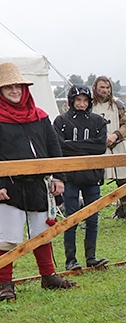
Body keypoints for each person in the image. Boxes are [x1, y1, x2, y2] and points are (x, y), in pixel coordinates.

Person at [0, 62, 77, 301]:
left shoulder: (40, 116)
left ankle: (48, 276)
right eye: (9, 87)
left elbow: (55, 149)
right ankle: (4, 285)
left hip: (39, 185)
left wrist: (59, 178)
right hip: (9, 185)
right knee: (6, 237)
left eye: (18, 86)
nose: (15, 91)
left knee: (42, 232)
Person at [53, 85, 109, 271]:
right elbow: (59, 147)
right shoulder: (60, 121)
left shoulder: (97, 121)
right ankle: (71, 260)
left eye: (85, 100)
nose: (82, 104)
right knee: (72, 217)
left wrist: (74, 146)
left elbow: (100, 147)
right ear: (71, 101)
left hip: (92, 176)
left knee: (92, 218)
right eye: (78, 100)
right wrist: (86, 146)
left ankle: (91, 257)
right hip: (70, 177)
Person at [92, 76, 126, 221]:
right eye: (102, 87)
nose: (105, 90)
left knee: (124, 179)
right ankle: (90, 217)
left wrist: (116, 136)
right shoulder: (89, 106)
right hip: (96, 148)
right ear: (95, 87)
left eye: (107, 87)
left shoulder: (117, 105)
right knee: (92, 182)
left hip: (118, 145)